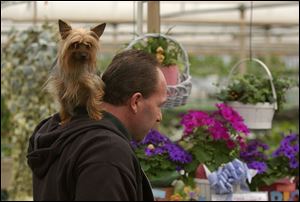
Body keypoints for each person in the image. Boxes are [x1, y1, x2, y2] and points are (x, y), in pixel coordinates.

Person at [27, 49, 168, 201]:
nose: (159, 117)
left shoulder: (65, 132)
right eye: (159, 105)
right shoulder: (107, 152)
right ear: (135, 102)